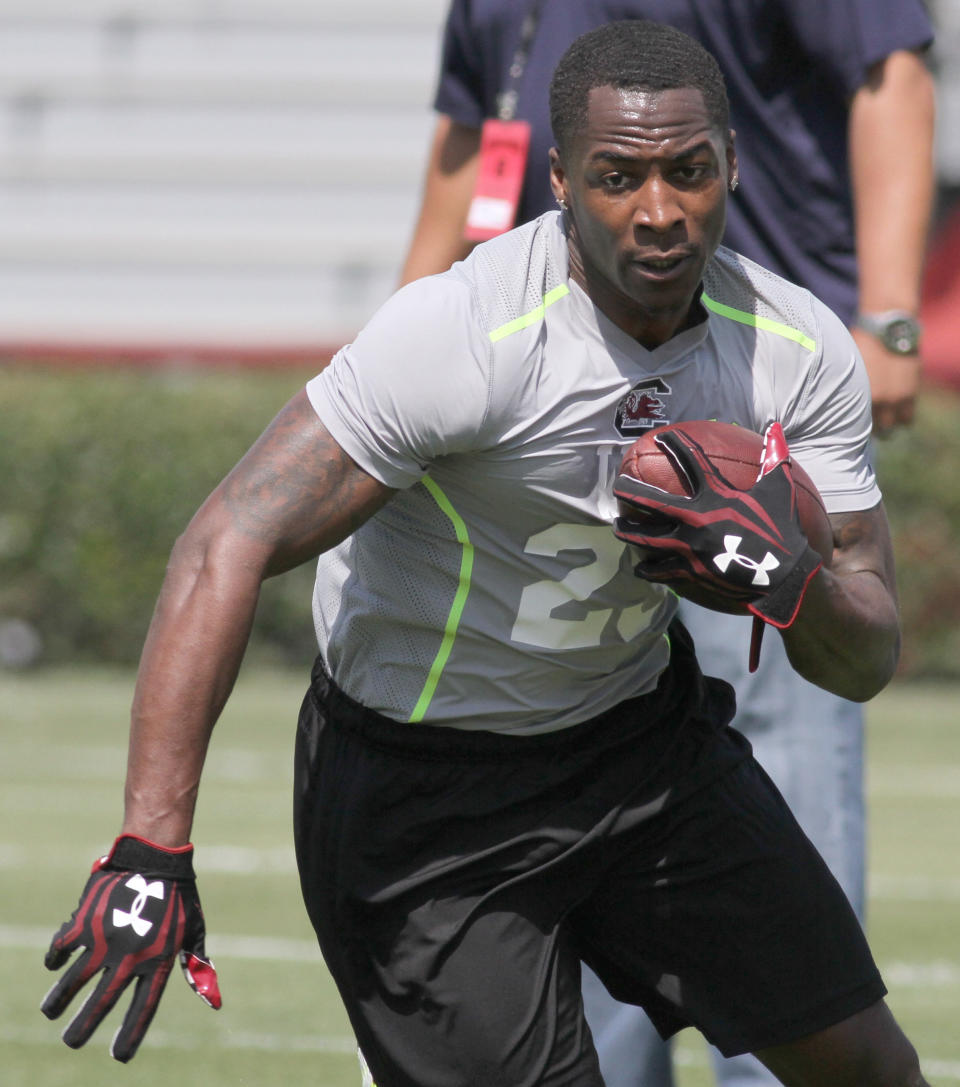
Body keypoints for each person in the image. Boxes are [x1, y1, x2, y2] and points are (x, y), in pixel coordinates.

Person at [42, 21, 927, 1087]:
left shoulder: (795, 349)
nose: (660, 211)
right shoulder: (464, 336)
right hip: (425, 798)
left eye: (690, 172)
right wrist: (150, 847)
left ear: (732, 166)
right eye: (618, 177)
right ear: (559, 181)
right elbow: (225, 540)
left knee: (870, 1066)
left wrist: (793, 581)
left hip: (641, 750)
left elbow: (865, 655)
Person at [399, 4, 935, 1083]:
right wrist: (404, 336)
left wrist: (885, 315)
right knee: (579, 788)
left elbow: (892, 72)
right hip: (545, 412)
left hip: (744, 396)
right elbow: (472, 136)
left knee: (779, 769)